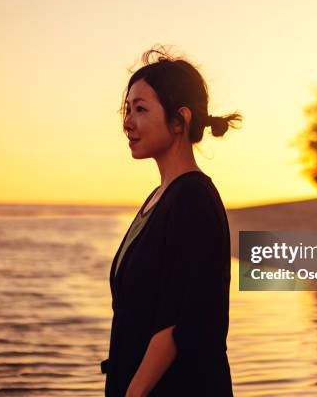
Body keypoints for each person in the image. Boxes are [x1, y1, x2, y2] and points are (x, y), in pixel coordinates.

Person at [100, 47, 242, 397]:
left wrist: (135, 391)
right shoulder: (159, 198)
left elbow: (181, 318)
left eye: (141, 109)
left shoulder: (193, 199)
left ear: (180, 120)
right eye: (127, 109)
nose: (127, 123)